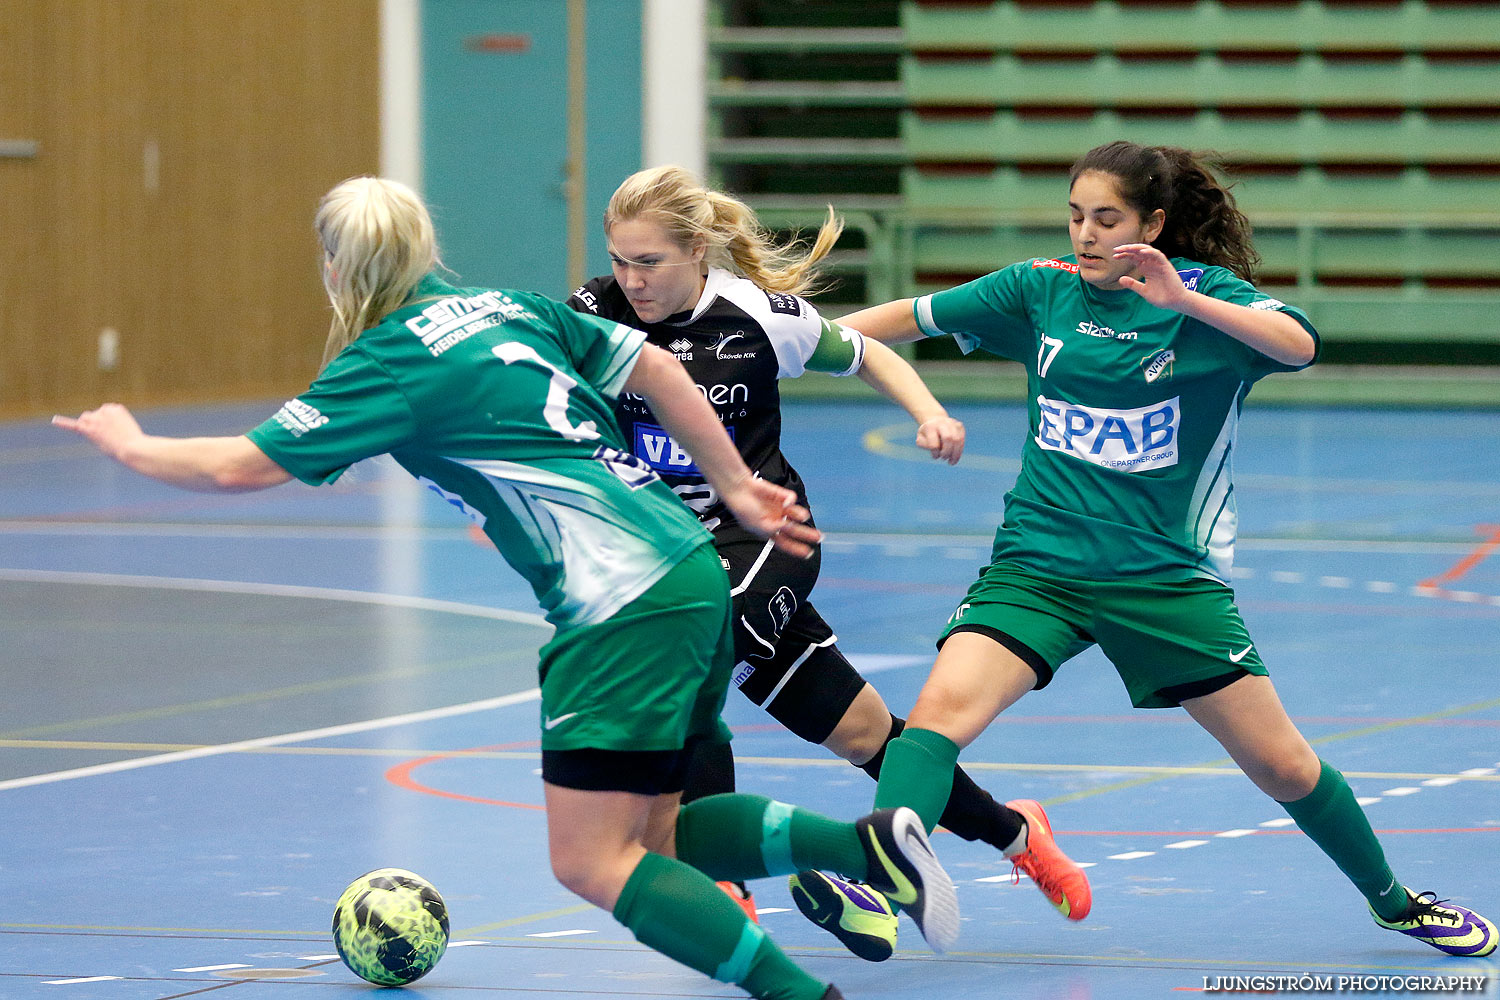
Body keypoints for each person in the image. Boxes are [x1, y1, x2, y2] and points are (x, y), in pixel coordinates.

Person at [53, 176, 964, 1000]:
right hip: (689, 566)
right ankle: (867, 848)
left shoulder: (388, 362)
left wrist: (132, 444)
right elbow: (652, 367)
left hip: (618, 605)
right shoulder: (505, 306)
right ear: (423, 248)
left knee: (592, 862)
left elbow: (239, 467)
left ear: (337, 269)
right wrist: (730, 485)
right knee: (662, 837)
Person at [818, 140, 1497, 958]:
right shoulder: (1042, 289)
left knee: (1283, 767)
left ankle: (1395, 901)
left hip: (1164, 582)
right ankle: (877, 887)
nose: (1087, 235)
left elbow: (1301, 345)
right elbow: (907, 318)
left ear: (1155, 224)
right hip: (1038, 568)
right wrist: (784, 347)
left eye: (1108, 219)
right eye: (1076, 217)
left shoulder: (1210, 302)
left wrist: (1186, 301)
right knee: (934, 722)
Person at [566, 165, 1091, 959]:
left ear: (699, 250)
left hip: (765, 537)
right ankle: (1018, 833)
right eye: (620, 261)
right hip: (661, 552)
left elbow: (868, 352)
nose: (631, 280)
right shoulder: (593, 312)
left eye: (650, 263)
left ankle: (732, 892)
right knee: (864, 734)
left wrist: (930, 412)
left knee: (700, 639)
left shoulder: (755, 316)